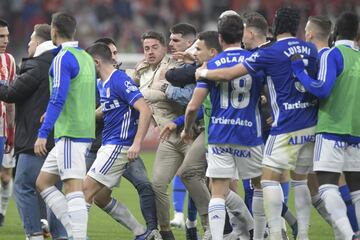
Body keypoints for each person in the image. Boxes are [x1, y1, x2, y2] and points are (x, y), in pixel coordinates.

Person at [196, 8, 318, 240]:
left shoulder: (268, 53)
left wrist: (203, 73)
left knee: (265, 181)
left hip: (278, 125)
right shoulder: (311, 49)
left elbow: (227, 74)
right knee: (298, 180)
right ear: (299, 27)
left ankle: (273, 233)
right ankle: (298, 234)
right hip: (308, 123)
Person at [182, 14, 264, 240]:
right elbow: (266, 96)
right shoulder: (255, 60)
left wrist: (187, 130)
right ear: (242, 35)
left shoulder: (212, 64)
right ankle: (259, 235)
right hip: (249, 133)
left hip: (219, 134)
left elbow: (192, 107)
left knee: (217, 191)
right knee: (258, 186)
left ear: (219, 38)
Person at [291, 11, 360, 240]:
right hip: (356, 133)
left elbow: (322, 88)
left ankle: (349, 235)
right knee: (357, 192)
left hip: (331, 130)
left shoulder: (332, 54)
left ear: (335, 32)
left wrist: (300, 72)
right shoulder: (358, 55)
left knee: (327, 186)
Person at [85, 37, 161, 239]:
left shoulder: (119, 79)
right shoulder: (105, 83)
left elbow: (144, 109)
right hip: (108, 145)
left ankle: (74, 235)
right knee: (99, 197)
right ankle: (142, 233)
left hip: (118, 146)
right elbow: (105, 110)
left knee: (84, 192)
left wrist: (136, 143)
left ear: (96, 62)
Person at [0, 23, 68, 240]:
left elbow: (11, 93)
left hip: (35, 138)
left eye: (30, 40)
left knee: (22, 186)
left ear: (38, 42)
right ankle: (60, 235)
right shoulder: (63, 62)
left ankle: (34, 234)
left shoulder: (37, 65)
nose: (27, 44)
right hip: (58, 138)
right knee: (51, 188)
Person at [35, 12, 96, 240]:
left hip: (71, 132)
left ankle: (78, 236)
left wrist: (43, 133)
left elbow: (58, 97)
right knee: (43, 182)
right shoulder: (85, 57)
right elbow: (79, 95)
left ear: (53, 30)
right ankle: (74, 232)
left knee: (72, 187)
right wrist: (50, 115)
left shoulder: (63, 58)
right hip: (81, 130)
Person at [242, 11, 298, 239]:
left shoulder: (271, 53)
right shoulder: (252, 53)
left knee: (263, 181)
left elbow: (281, 87)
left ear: (251, 31)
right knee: (264, 181)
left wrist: (273, 112)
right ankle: (280, 227)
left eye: (243, 29)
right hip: (254, 124)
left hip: (267, 125)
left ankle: (277, 229)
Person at [0, 18, 15, 227]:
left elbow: (12, 99)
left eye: (6, 36)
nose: (5, 40)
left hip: (3, 130)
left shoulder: (9, 61)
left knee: (5, 177)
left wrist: (12, 130)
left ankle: (1, 212)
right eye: (1, 37)